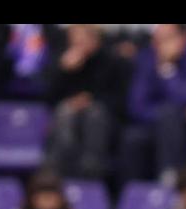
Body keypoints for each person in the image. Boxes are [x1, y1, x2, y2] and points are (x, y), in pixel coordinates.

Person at [124, 24, 186, 186]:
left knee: (173, 117)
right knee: (135, 137)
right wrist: (165, 114)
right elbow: (136, 105)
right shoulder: (147, 59)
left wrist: (168, 70)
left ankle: (174, 178)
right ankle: (132, 194)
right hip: (156, 122)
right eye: (157, 39)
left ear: (184, 38)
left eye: (167, 38)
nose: (160, 44)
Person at [43, 24, 125, 180]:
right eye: (74, 36)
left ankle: (91, 172)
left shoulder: (111, 60)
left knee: (94, 113)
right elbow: (48, 96)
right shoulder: (61, 57)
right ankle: (61, 171)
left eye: (84, 36)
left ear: (95, 38)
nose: (78, 41)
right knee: (65, 111)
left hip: (103, 117)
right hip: (69, 114)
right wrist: (63, 70)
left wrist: (90, 100)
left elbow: (118, 99)